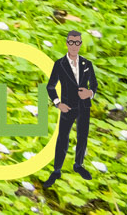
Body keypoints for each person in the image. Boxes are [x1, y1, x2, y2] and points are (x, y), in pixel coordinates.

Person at [44, 28, 99, 185]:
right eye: (71, 42)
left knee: (82, 136)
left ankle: (78, 164)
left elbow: (94, 84)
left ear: (80, 44)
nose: (74, 46)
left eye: (77, 43)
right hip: (67, 106)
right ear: (67, 44)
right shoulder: (59, 64)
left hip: (84, 105)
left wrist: (89, 93)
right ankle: (56, 170)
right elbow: (50, 86)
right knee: (63, 137)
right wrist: (57, 103)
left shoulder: (87, 64)